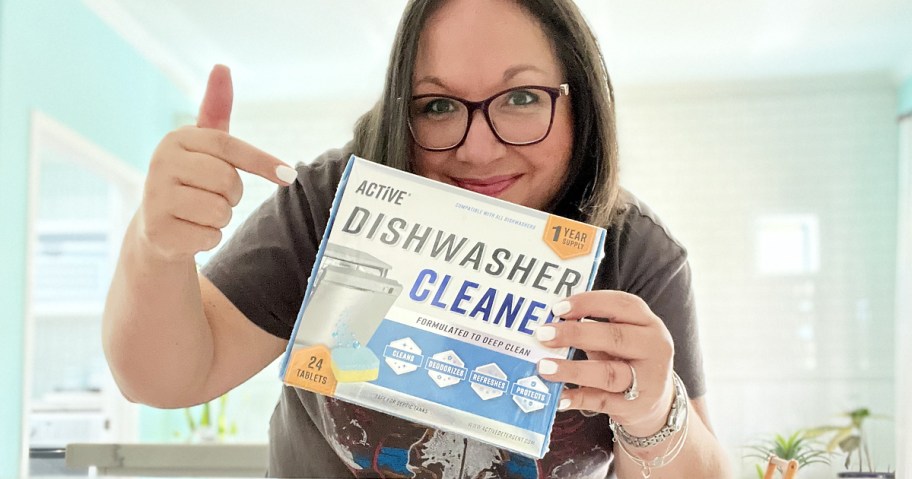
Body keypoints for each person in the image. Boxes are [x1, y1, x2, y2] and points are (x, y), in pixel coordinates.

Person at [102, 0, 733, 477]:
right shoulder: (333, 203)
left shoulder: (635, 255)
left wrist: (654, 413)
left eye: (520, 97)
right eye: (436, 106)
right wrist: (157, 248)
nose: (479, 149)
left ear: (582, 103)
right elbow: (165, 379)